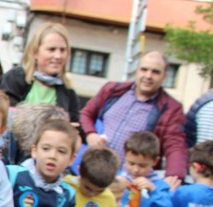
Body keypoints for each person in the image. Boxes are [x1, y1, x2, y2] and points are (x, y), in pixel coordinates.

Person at [80, 51, 187, 180]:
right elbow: (86, 113)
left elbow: (175, 144)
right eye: (144, 69)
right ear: (137, 70)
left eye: (155, 72)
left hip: (131, 181)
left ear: (165, 76)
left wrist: (174, 175)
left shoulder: (171, 108)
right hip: (94, 170)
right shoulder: (112, 90)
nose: (148, 76)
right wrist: (91, 133)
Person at [0, 23, 79, 128]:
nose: (58, 56)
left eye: (63, 50)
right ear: (35, 52)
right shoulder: (14, 78)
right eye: (51, 49)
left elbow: (75, 126)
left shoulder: (68, 92)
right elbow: (3, 115)